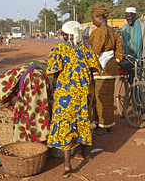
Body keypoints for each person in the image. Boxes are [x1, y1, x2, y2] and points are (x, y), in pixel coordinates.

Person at [46, 21, 101, 178]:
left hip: (67, 93)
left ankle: (67, 165)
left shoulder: (59, 49)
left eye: (62, 33)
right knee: (84, 119)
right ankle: (85, 152)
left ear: (66, 35)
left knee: (65, 123)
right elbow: (94, 69)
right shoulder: (85, 49)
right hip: (85, 91)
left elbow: (54, 72)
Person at [0, 64, 52, 143]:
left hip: (33, 80)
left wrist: (11, 105)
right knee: (41, 110)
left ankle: (34, 140)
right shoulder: (9, 75)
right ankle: (44, 136)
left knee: (28, 114)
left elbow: (16, 102)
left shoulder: (1, 82)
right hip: (41, 76)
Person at [89, 3, 123, 136]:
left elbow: (95, 52)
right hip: (111, 67)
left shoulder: (99, 32)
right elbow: (119, 51)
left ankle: (103, 127)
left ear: (100, 18)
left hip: (101, 70)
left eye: (94, 19)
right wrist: (116, 61)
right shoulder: (114, 31)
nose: (93, 21)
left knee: (100, 98)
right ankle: (107, 125)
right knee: (108, 98)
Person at [121, 7, 145, 87]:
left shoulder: (143, 27)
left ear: (135, 15)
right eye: (127, 16)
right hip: (129, 58)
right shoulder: (124, 28)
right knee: (131, 81)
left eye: (130, 16)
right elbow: (122, 44)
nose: (128, 18)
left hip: (142, 57)